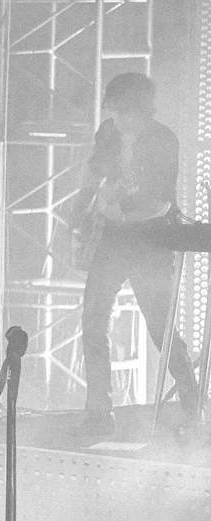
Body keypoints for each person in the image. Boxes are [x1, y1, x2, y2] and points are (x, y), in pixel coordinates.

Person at [68, 72, 199, 435]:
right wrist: (80, 208)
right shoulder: (108, 133)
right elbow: (93, 170)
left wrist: (124, 215)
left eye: (122, 111)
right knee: (93, 319)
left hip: (151, 241)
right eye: (112, 110)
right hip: (113, 240)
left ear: (140, 110)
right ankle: (99, 412)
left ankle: (193, 404)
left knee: (160, 326)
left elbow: (162, 203)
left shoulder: (163, 140)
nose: (115, 118)